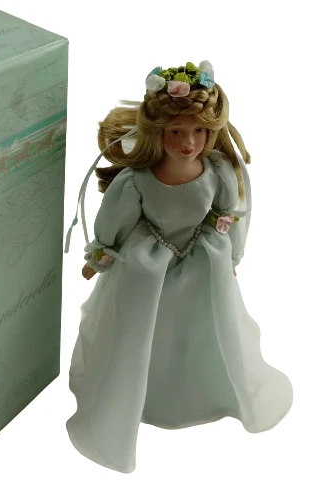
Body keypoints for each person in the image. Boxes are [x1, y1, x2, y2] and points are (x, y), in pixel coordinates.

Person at [64, 61, 293, 474]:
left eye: (198, 132)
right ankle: (142, 391)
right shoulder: (137, 181)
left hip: (204, 260)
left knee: (204, 327)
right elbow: (114, 221)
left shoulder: (217, 172)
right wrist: (99, 258)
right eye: (176, 132)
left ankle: (205, 386)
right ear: (157, 132)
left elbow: (229, 214)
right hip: (147, 265)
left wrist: (233, 255)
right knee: (145, 330)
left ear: (211, 131)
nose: (188, 143)